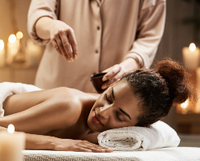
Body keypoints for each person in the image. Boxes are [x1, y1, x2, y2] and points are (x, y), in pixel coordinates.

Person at [0, 59, 193, 152]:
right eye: (108, 97)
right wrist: (55, 143)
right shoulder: (70, 107)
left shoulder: (110, 135)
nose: (102, 111)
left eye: (120, 116)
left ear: (136, 126)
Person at [27, 0, 166, 92]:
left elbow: (149, 37)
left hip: (113, 100)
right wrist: (52, 26)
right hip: (54, 91)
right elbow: (38, 14)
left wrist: (126, 68)